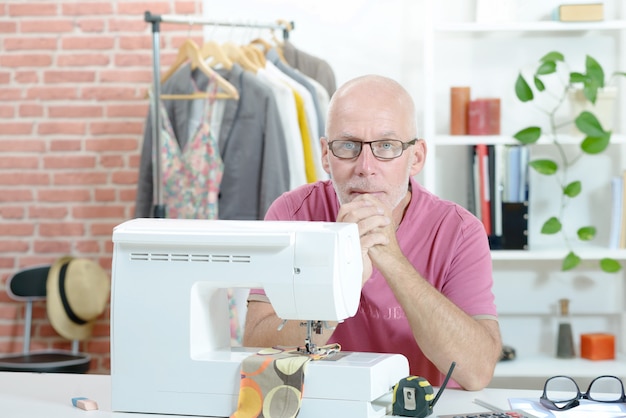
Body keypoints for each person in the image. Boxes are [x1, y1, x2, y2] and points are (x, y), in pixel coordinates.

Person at [243, 74, 502, 390]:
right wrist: (343, 282)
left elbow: (476, 372)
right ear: (326, 155)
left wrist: (390, 257)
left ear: (416, 157)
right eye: (348, 146)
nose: (365, 166)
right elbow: (255, 344)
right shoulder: (291, 216)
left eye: (386, 146)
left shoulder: (459, 231)